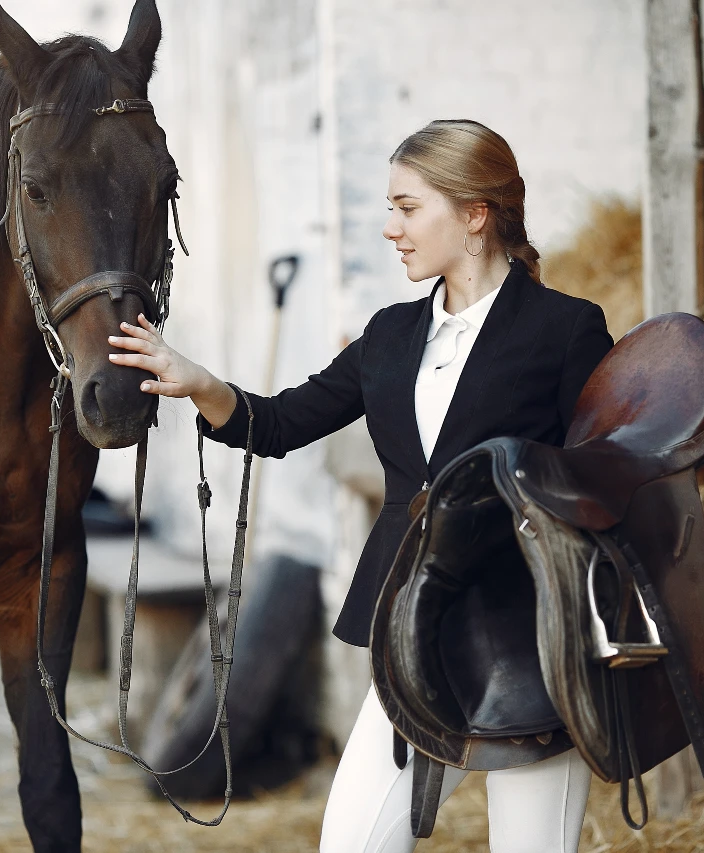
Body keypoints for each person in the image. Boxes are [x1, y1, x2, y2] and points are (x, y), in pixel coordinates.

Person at [107, 119, 614, 853]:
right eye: (389, 208)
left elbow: (600, 480)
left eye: (407, 208)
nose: (389, 228)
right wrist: (199, 382)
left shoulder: (567, 330)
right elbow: (279, 423)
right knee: (352, 842)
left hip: (530, 633)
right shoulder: (390, 335)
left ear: (475, 214)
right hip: (410, 625)